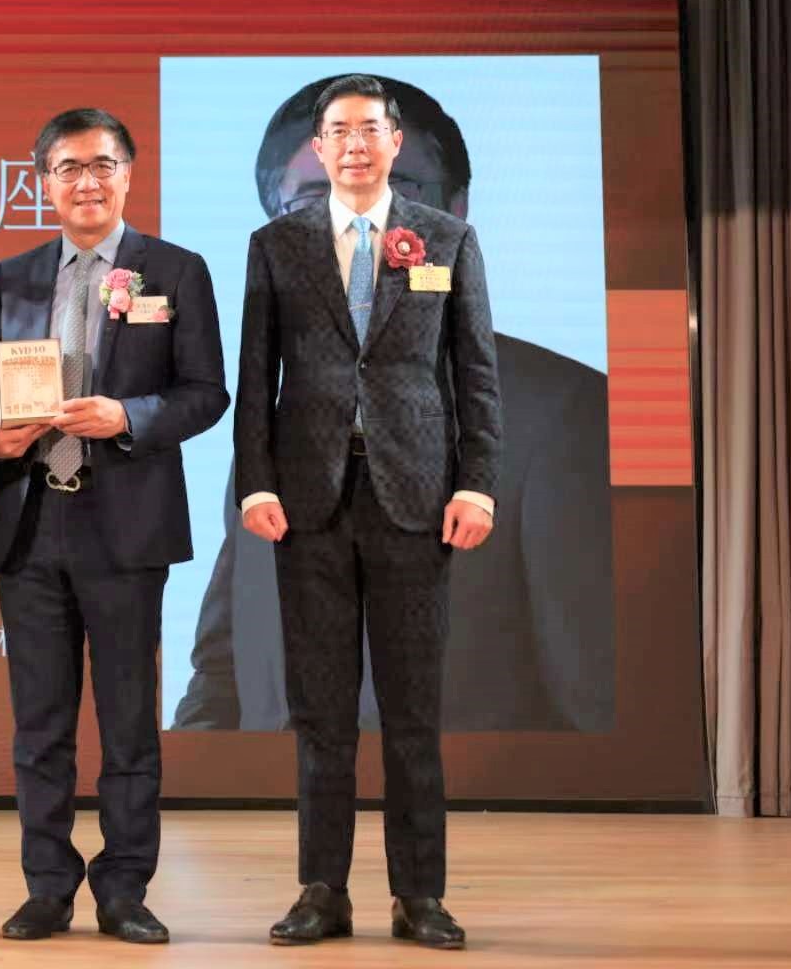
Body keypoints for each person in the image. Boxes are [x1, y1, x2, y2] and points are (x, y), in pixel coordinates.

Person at [175, 75, 613, 734]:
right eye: (315, 199)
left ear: (456, 208)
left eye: (397, 186)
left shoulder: (557, 413)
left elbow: (588, 706)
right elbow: (221, 671)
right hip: (273, 791)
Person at [235, 74, 500, 949]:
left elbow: (474, 372)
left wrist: (477, 482)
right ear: (318, 148)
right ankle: (323, 890)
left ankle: (420, 895)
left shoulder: (446, 239)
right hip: (308, 503)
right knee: (321, 712)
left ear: (394, 142)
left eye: (369, 129)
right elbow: (256, 375)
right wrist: (256, 483)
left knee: (413, 712)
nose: (354, 144)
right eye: (338, 131)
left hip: (415, 500)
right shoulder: (276, 244)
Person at [0, 108, 227, 944]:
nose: (86, 182)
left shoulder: (175, 270)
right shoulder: (12, 277)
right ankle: (47, 887)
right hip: (30, 521)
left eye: (102, 165)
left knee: (127, 723)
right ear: (43, 182)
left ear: (129, 173)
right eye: (68, 168)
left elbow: (206, 392)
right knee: (39, 725)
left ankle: (124, 889)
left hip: (126, 525)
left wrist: (128, 415)